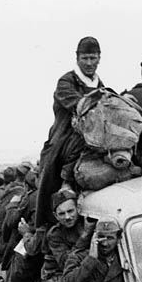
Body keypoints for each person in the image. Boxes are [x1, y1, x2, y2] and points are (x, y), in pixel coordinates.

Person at [37, 37, 105, 227]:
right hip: (64, 139)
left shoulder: (100, 84)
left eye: (93, 58)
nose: (90, 63)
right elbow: (81, 106)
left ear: (100, 58)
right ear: (77, 58)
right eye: (85, 58)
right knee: (50, 186)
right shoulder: (66, 82)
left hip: (92, 137)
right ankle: (47, 226)